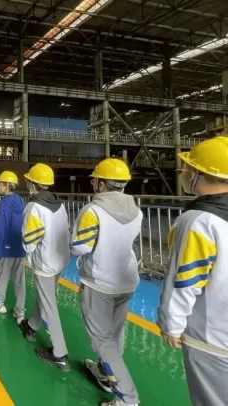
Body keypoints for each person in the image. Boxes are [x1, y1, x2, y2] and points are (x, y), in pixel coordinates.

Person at [157, 136, 228, 406]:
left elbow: (185, 280)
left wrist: (171, 326)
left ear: (197, 173)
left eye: (187, 168)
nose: (183, 172)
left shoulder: (198, 221)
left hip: (212, 339)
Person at [71, 158, 143, 406]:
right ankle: (104, 373)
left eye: (95, 180)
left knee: (102, 341)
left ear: (101, 184)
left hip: (99, 282)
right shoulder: (137, 211)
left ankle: (128, 399)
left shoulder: (93, 211)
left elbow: (80, 247)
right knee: (115, 332)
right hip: (126, 281)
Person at [18, 163, 71, 371]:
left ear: (32, 183)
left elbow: (29, 240)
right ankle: (31, 326)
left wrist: (29, 254)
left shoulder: (34, 207)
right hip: (59, 261)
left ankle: (60, 354)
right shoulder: (59, 204)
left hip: (44, 264)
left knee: (49, 305)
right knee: (46, 298)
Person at [0, 171, 26, 319]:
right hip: (20, 247)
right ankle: (20, 310)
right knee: (19, 280)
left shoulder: (4, 203)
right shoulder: (21, 202)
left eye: (1, 183)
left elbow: (0, 228)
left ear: (8, 185)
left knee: (2, 276)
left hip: (6, 247)